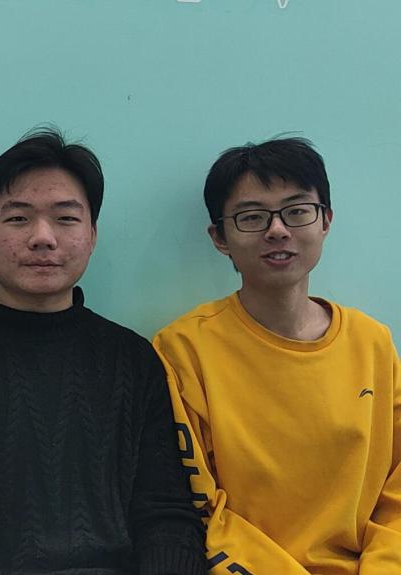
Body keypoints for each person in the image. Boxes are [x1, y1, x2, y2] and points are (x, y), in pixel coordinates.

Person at [0, 128, 206, 574]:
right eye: (19, 218)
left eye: (65, 218)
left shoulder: (133, 359)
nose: (43, 237)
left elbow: (166, 512)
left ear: (92, 235)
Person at [153, 137, 401, 574]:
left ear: (325, 221)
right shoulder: (183, 350)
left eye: (297, 210)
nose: (278, 230)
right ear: (219, 237)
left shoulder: (372, 342)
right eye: (252, 217)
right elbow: (196, 507)